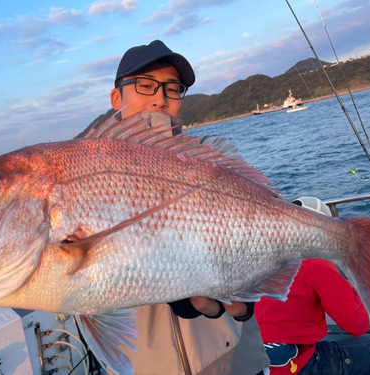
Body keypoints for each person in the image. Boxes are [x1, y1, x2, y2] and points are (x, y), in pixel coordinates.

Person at [78, 40, 270, 375]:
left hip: (236, 362)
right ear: (116, 97)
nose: (160, 98)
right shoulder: (85, 169)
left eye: (172, 88)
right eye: (146, 85)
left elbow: (256, 218)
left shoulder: (214, 153)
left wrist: (248, 280)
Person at [254, 197, 370, 375]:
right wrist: (349, 283)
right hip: (293, 367)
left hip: (253, 363)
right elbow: (359, 325)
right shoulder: (315, 263)